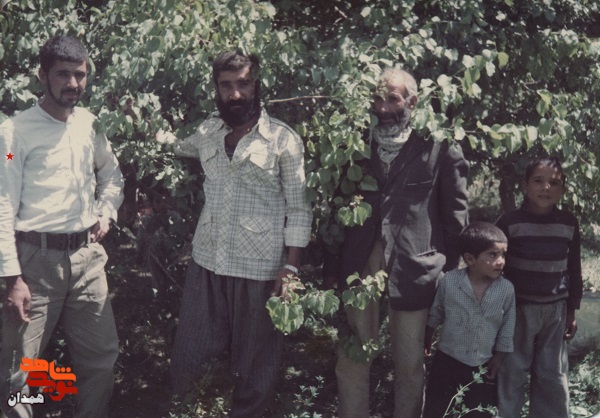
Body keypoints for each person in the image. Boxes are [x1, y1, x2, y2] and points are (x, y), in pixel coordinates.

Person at [167, 50, 312, 417]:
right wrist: (144, 125)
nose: (235, 94)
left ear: (256, 85)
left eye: (243, 84)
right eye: (226, 85)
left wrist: (291, 269)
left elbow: (298, 209)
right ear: (216, 88)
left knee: (255, 368)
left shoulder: (282, 140)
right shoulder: (207, 133)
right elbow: (176, 146)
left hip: (259, 270)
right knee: (191, 355)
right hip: (208, 261)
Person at [323, 67, 469, 418]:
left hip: (415, 267)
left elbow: (456, 217)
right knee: (353, 355)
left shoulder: (439, 145)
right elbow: (337, 208)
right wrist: (332, 264)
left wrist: (447, 272)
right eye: (377, 98)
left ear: (412, 101)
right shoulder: (354, 143)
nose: (383, 108)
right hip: (360, 262)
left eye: (392, 99)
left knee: (410, 361)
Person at [0, 36, 124, 418]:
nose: (73, 83)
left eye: (80, 75)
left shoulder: (90, 124)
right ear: (43, 76)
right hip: (35, 265)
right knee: (19, 371)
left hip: (87, 260)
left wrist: (105, 213)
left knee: (101, 358)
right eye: (63, 74)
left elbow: (112, 175)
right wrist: (12, 277)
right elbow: (2, 204)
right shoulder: (14, 134)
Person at [496, 156, 582, 418]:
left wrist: (572, 310)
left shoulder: (568, 223)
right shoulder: (509, 223)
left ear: (563, 189)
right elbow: (495, 270)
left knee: (552, 374)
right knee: (512, 370)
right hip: (517, 310)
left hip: (555, 312)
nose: (546, 188)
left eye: (554, 183)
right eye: (538, 181)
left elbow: (574, 268)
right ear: (525, 186)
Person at [422, 222, 516, 418]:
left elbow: (507, 327)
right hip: (447, 360)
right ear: (470, 258)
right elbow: (436, 312)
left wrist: (498, 359)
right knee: (439, 409)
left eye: (503, 255)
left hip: (482, 364)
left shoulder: (506, 289)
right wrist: (427, 337)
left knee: (478, 412)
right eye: (493, 255)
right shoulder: (450, 281)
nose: (501, 261)